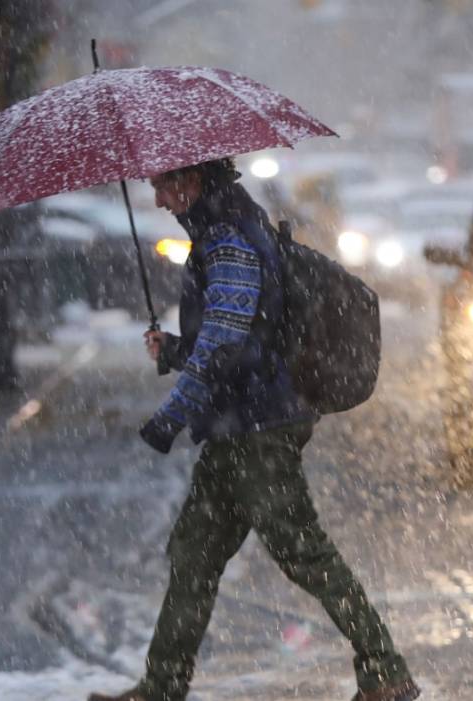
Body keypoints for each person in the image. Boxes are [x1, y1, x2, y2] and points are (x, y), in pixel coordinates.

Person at [89, 158, 420, 701]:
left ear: (192, 182)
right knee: (194, 555)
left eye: (163, 186)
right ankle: (161, 687)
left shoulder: (230, 244)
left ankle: (386, 671)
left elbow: (226, 347)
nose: (157, 201)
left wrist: (169, 417)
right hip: (233, 430)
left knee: (304, 552)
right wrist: (174, 350)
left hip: (259, 430)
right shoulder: (222, 235)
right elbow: (235, 339)